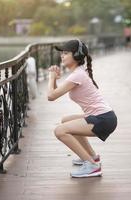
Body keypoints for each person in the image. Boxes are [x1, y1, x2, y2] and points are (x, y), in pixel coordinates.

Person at [47, 39, 117, 178]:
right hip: (105, 116)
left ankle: (91, 165)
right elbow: (56, 93)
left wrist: (51, 77)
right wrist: (55, 79)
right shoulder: (78, 72)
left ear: (77, 55)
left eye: (66, 53)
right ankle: (92, 157)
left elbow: (51, 96)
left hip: (103, 119)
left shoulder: (77, 75)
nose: (62, 55)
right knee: (65, 121)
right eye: (62, 53)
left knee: (60, 131)